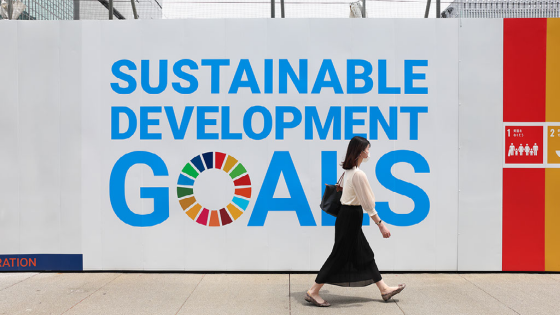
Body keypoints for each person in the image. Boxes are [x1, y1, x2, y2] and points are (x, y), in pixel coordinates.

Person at [305, 136, 405, 307]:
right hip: (350, 217)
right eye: (367, 148)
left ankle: (384, 289)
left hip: (348, 216)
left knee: (364, 253)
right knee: (339, 255)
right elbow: (367, 204)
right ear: (360, 151)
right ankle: (313, 291)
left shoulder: (349, 172)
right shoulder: (358, 174)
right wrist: (380, 224)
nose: (369, 152)